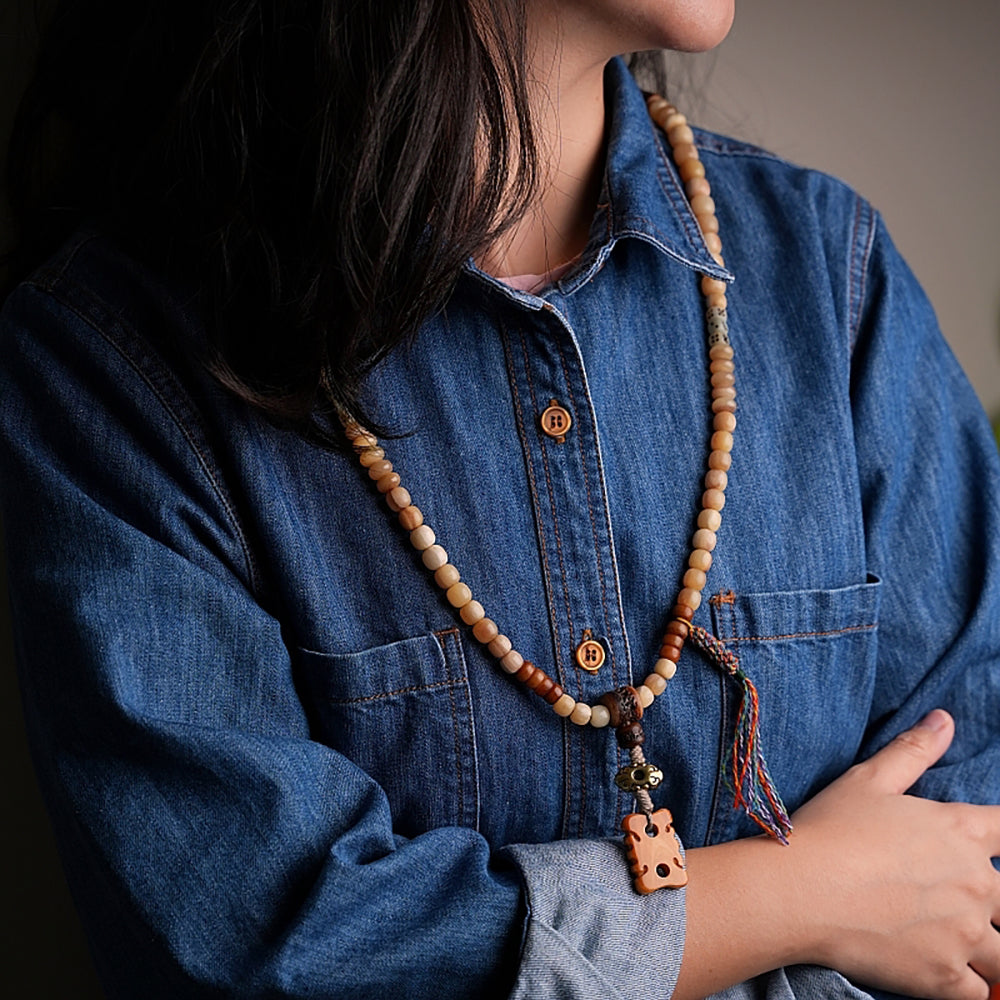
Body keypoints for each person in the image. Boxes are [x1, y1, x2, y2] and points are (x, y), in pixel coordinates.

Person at [2, 1, 998, 998]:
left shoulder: (827, 273)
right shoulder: (116, 359)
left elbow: (963, 863)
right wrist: (801, 896)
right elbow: (255, 943)